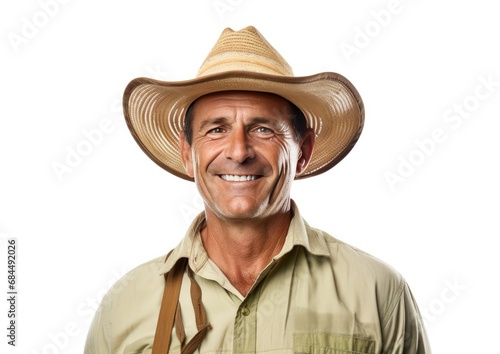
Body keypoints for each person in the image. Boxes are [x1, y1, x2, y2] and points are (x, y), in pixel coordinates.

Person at [85, 26, 431, 354]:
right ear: (188, 155)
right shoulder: (126, 304)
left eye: (263, 129)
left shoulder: (376, 291)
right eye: (217, 129)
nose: (238, 151)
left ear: (303, 152)